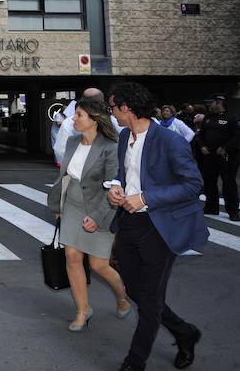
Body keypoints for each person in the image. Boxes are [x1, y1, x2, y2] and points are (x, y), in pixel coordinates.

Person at [107, 82, 209, 371]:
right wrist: (115, 187)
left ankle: (134, 362)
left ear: (126, 107)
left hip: (160, 226)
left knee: (149, 299)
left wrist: (146, 197)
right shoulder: (125, 135)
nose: (111, 113)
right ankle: (184, 331)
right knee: (134, 289)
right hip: (129, 223)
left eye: (113, 107)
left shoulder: (169, 140)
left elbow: (193, 184)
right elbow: (122, 173)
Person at [46, 99, 130, 332]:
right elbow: (65, 177)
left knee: (98, 265)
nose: (74, 118)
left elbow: (114, 186)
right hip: (72, 204)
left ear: (94, 119)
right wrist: (59, 206)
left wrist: (97, 216)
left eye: (79, 115)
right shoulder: (73, 142)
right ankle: (83, 310)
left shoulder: (110, 146)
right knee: (72, 257)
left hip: (101, 205)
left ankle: (122, 296)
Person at [195, 94, 239, 221]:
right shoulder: (208, 118)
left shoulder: (232, 118)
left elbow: (237, 136)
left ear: (219, 102)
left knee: (228, 183)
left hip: (227, 156)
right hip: (210, 156)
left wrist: (225, 147)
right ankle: (211, 207)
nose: (209, 105)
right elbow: (201, 134)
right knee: (209, 181)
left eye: (211, 102)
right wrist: (202, 146)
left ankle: (233, 211)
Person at [54, 88, 122, 165]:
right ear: (102, 101)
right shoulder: (114, 120)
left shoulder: (69, 122)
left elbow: (60, 150)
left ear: (82, 100)